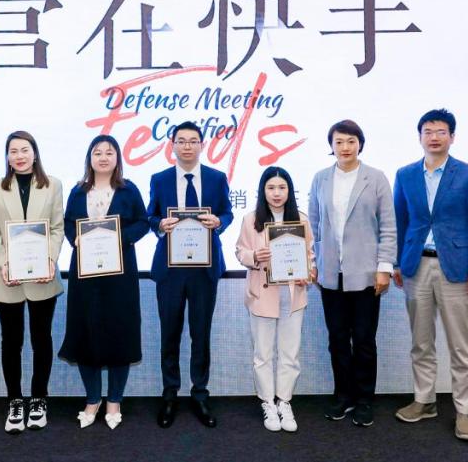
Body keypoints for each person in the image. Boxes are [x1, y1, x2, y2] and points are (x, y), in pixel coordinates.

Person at [392, 109, 468, 442]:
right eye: (428, 131)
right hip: (416, 265)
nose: (434, 137)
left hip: (457, 269)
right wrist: (396, 263)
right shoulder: (405, 174)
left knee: (461, 346)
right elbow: (400, 222)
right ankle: (425, 401)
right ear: (419, 136)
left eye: (441, 132)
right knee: (421, 342)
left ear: (452, 137)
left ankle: (464, 411)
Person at [308, 119, 397, 428]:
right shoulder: (320, 178)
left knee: (363, 340)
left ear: (360, 144)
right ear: (331, 146)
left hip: (366, 274)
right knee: (336, 339)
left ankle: (364, 399)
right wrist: (313, 261)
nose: (345, 147)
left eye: (350, 141)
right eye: (339, 142)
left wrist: (384, 268)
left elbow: (388, 226)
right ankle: (342, 396)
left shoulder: (376, 178)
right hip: (331, 273)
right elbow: (314, 225)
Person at [58, 135, 149, 430]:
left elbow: (143, 222)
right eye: (97, 153)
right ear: (90, 158)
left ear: (117, 158)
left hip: (120, 275)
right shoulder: (78, 191)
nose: (103, 157)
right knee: (86, 332)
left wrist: (119, 238)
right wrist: (76, 239)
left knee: (119, 333)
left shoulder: (128, 190)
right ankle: (93, 399)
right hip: (85, 275)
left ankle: (114, 400)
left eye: (109, 153)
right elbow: (68, 223)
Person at [147, 121, 233, 429]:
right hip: (170, 269)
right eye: (181, 141)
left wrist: (219, 222)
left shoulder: (216, 178)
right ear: (172, 145)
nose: (187, 146)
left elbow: (227, 212)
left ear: (201, 145)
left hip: (203, 268)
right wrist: (159, 224)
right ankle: (170, 394)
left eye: (193, 141)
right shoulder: (159, 179)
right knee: (169, 333)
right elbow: (150, 215)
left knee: (201, 333)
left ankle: (200, 393)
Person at [0, 130, 65, 434]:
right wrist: (5, 263)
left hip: (43, 275)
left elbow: (57, 228)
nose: (19, 156)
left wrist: (50, 259)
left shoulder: (53, 184)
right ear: (7, 156)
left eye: (24, 150)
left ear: (35, 153)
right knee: (11, 342)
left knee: (42, 340)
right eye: (13, 151)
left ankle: (39, 399)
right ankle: (15, 401)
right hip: (8, 277)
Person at [235, 166, 315, 433]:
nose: (277, 193)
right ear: (263, 191)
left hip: (292, 295)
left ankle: (284, 401)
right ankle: (267, 402)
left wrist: (308, 272)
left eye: (282, 187)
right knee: (263, 354)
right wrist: (254, 256)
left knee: (290, 353)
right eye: (271, 188)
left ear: (290, 191)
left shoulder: (301, 220)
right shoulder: (251, 219)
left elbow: (310, 255)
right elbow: (240, 251)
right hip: (263, 294)